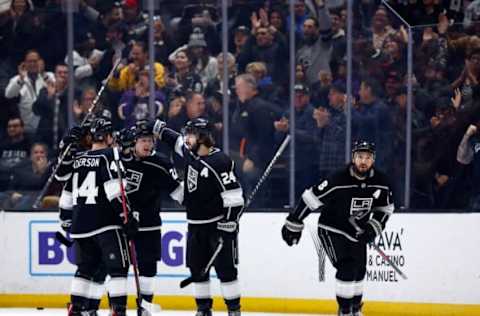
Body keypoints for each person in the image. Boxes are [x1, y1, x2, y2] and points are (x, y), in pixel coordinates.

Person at [281, 141, 395, 316]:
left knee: (360, 270)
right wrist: (294, 223)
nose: (363, 161)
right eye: (359, 157)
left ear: (373, 160)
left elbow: (385, 209)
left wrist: (373, 227)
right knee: (347, 267)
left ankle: (355, 309)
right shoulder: (338, 179)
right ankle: (344, 311)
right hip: (331, 228)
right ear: (353, 158)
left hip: (356, 232)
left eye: (367, 157)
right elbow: (310, 198)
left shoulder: (381, 181)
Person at [154, 118, 244, 316]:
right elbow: (175, 140)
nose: (186, 138)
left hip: (216, 227)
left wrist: (229, 222)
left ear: (203, 137)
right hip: (195, 226)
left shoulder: (220, 161)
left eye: (191, 134)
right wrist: (159, 129)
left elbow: (235, 197)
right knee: (197, 270)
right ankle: (203, 310)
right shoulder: (190, 153)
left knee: (226, 271)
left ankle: (234, 310)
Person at [60, 117, 138, 316]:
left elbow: (65, 191)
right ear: (109, 136)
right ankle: (118, 310)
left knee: (85, 269)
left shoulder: (77, 159)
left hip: (80, 227)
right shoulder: (110, 155)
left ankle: (76, 308)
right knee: (118, 268)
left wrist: (66, 219)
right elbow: (115, 191)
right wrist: (126, 217)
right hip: (105, 225)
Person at [120, 120, 184, 314]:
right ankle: (117, 306)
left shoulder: (160, 163)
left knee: (148, 267)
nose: (147, 144)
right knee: (117, 268)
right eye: (142, 140)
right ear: (133, 142)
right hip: (119, 225)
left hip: (149, 225)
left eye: (150, 140)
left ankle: (145, 305)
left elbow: (179, 194)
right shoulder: (118, 160)